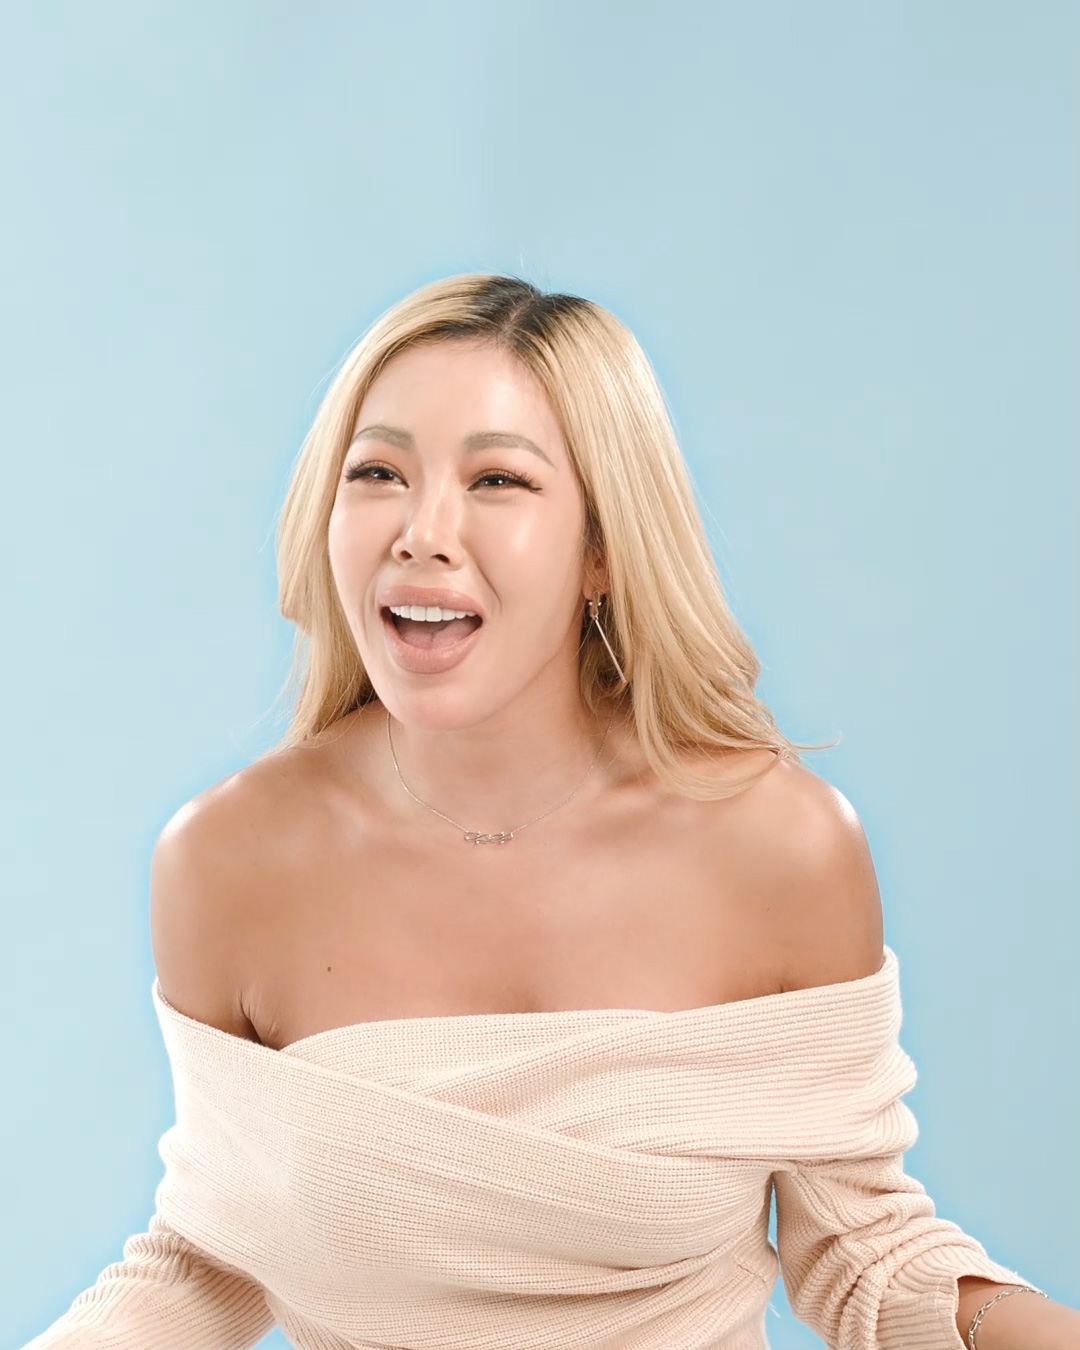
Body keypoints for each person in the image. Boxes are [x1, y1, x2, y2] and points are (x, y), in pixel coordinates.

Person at [19, 274, 1079, 1350]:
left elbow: (865, 1252)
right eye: (379, 472)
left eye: (498, 480)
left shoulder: (783, 847)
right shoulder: (229, 859)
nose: (423, 532)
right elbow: (211, 1252)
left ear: (602, 550)